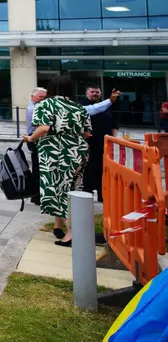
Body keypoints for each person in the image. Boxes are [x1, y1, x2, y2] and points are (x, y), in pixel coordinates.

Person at [24, 75, 93, 247]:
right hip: (79, 151)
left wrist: (31, 138)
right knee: (72, 188)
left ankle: (72, 233)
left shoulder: (45, 104)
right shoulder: (79, 107)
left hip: (56, 153)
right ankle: (58, 226)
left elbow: (43, 128)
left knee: (58, 190)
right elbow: (87, 133)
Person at [83, 86, 119, 203]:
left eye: (97, 92)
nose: (95, 94)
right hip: (89, 144)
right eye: (92, 92)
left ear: (101, 93)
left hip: (105, 144)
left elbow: (114, 124)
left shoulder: (108, 106)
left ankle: (102, 195)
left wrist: (113, 140)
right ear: (87, 93)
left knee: (104, 170)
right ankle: (87, 195)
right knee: (89, 170)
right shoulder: (82, 106)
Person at [25, 87, 48, 205]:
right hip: (35, 138)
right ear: (33, 97)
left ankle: (36, 195)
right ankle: (36, 196)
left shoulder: (35, 105)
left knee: (37, 168)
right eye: (40, 97)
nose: (43, 99)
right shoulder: (34, 108)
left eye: (44, 97)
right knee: (38, 168)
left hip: (34, 138)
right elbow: (41, 127)